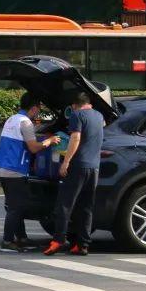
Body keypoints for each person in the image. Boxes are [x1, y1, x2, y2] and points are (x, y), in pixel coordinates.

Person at [0, 93, 60, 252]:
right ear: (33, 108)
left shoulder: (12, 119)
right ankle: (7, 241)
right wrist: (49, 141)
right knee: (16, 207)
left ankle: (21, 238)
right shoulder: (25, 123)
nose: (38, 112)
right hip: (15, 170)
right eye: (38, 108)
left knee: (16, 205)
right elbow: (33, 147)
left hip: (4, 169)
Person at [45, 91, 105, 256]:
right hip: (94, 167)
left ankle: (58, 240)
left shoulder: (77, 115)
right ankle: (82, 244)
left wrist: (66, 162)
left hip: (78, 165)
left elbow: (75, 138)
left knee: (64, 205)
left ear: (74, 105)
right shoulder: (99, 116)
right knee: (86, 207)